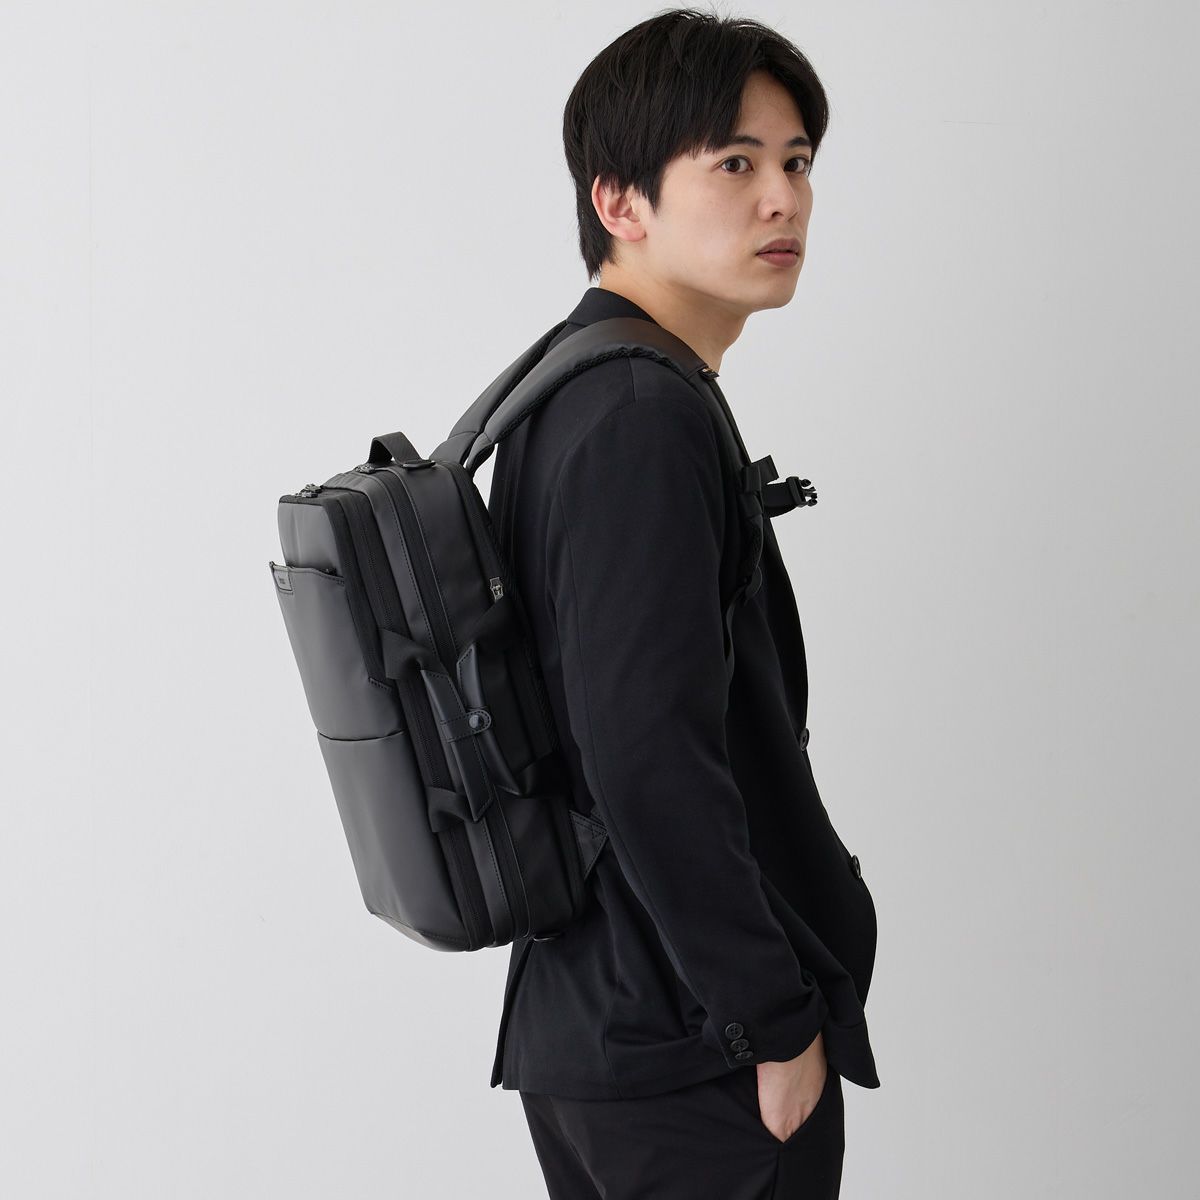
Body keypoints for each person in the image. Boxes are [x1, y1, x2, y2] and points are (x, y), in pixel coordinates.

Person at [485, 9, 880, 1198]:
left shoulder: (573, 384)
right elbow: (645, 753)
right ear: (620, 200)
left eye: (796, 161)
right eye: (735, 164)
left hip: (610, 1024)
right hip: (693, 1055)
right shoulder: (639, 415)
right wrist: (773, 1020)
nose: (783, 199)